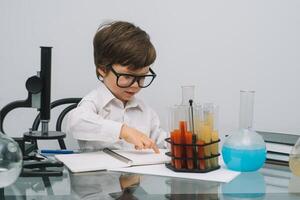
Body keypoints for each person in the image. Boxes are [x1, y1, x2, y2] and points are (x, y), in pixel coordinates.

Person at [66, 21, 167, 153]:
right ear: (102, 69)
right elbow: (76, 123)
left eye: (142, 77)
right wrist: (123, 131)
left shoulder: (146, 112)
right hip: (100, 173)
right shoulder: (94, 102)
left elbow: (161, 142)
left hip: (136, 173)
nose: (136, 85)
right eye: (128, 76)